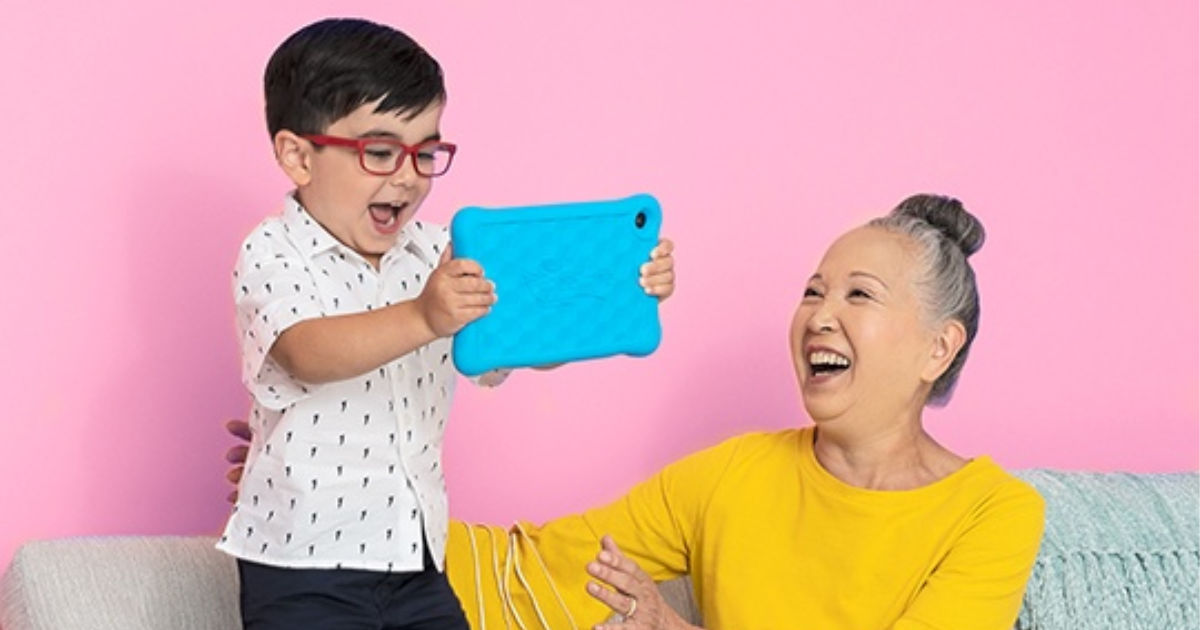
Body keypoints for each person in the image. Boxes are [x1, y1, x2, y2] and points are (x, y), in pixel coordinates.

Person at [229, 193, 1040, 629]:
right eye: (811, 292)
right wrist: (340, 480)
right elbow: (545, 566)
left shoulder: (995, 512)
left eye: (858, 296)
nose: (819, 316)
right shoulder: (738, 473)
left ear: (939, 348)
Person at [221, 17, 676, 630]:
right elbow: (307, 351)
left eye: (426, 152)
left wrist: (616, 291)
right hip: (305, 565)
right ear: (298, 155)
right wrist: (423, 315)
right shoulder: (273, 251)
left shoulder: (437, 255)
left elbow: (519, 337)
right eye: (379, 152)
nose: (408, 176)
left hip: (419, 561)